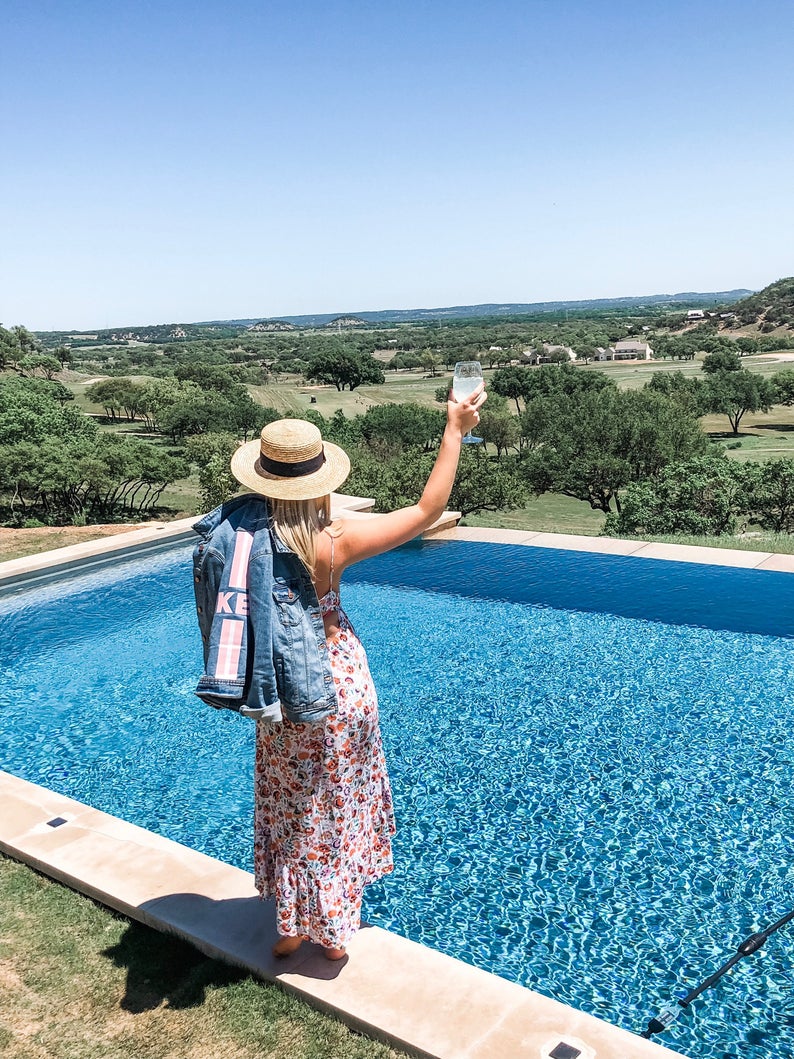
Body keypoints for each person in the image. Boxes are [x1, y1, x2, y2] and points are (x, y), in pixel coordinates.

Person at [226, 383, 486, 961]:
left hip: (280, 691)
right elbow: (427, 511)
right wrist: (453, 430)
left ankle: (291, 927)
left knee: (292, 801)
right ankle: (335, 933)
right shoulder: (333, 540)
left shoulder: (241, 539)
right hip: (338, 683)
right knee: (337, 801)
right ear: (321, 477)